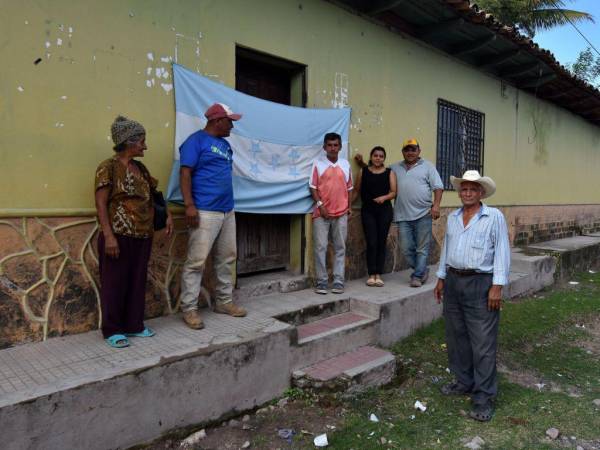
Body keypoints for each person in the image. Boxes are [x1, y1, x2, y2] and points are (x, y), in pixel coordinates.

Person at [433, 170, 510, 422]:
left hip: (480, 283)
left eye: (472, 189)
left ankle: (483, 397)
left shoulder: (493, 217)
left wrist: (497, 285)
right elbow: (447, 248)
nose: (467, 193)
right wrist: (441, 277)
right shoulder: (453, 217)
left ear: (481, 193)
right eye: (463, 189)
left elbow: (501, 251)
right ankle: (463, 381)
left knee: (483, 342)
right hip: (454, 282)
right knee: (457, 337)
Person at [95, 115, 173, 348]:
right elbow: (100, 204)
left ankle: (134, 325)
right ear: (129, 141)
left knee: (137, 281)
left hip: (142, 235)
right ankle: (112, 329)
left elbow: (154, 195)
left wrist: (166, 214)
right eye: (142, 141)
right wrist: (108, 236)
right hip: (117, 235)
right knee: (114, 282)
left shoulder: (141, 168)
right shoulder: (107, 168)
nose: (145, 146)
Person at [178, 103, 247, 330]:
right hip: (204, 210)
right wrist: (189, 205)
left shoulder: (225, 146)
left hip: (227, 210)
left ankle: (224, 302)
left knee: (227, 257)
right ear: (217, 120)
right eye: (230, 121)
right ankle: (189, 308)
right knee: (196, 261)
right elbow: (185, 173)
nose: (232, 126)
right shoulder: (194, 141)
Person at [309, 132, 353, 294]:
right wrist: (321, 206)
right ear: (324, 147)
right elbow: (313, 188)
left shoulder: (345, 164)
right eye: (330, 145)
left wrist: (349, 206)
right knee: (320, 247)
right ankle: (321, 281)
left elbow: (349, 189)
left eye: (336, 145)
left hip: (341, 213)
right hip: (322, 213)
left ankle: (338, 280)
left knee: (340, 247)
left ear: (340, 147)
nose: (333, 148)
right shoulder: (318, 163)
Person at [352, 146, 397, 287]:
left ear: (384, 158)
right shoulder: (363, 171)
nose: (378, 158)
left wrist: (384, 197)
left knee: (381, 242)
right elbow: (356, 191)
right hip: (368, 211)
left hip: (384, 211)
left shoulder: (390, 173)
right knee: (371, 242)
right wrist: (347, 206)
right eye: (375, 155)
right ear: (371, 157)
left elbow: (394, 192)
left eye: (381, 156)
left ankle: (379, 274)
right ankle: (371, 274)